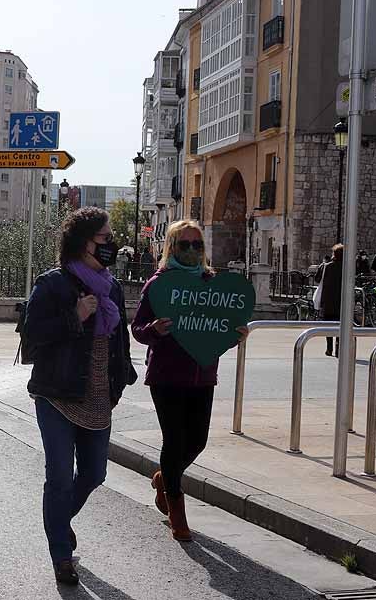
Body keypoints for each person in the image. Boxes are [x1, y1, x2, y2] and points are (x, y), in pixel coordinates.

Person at [23, 207, 136, 585]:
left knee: (93, 473)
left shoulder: (112, 287)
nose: (110, 245)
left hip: (99, 394)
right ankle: (61, 554)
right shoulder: (53, 284)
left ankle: (59, 521)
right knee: (59, 477)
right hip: (57, 393)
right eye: (104, 238)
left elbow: (119, 341)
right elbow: (32, 338)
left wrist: (121, 380)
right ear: (82, 241)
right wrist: (74, 316)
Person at [131, 219, 248, 543]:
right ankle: (177, 512)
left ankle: (163, 479)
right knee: (174, 440)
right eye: (185, 245)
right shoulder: (159, 283)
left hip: (202, 374)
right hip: (167, 375)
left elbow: (219, 330)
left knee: (197, 441)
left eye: (198, 245)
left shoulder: (213, 283)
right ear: (172, 247)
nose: (193, 251)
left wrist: (234, 336)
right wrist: (154, 329)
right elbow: (138, 329)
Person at [317, 244, 345, 356]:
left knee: (328, 326)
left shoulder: (328, 266)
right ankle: (339, 348)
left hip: (328, 301)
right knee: (340, 326)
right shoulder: (347, 267)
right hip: (342, 301)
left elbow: (321, 282)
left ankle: (329, 349)